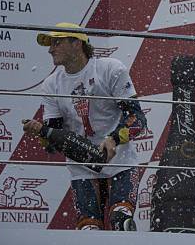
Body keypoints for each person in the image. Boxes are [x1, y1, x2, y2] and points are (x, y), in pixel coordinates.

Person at [23, 23, 146, 230]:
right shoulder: (51, 84)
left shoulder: (110, 68)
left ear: (77, 43)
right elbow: (53, 143)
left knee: (121, 221)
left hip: (120, 163)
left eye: (57, 42)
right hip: (82, 169)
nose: (50, 49)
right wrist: (41, 133)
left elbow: (138, 118)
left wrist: (113, 138)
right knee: (89, 230)